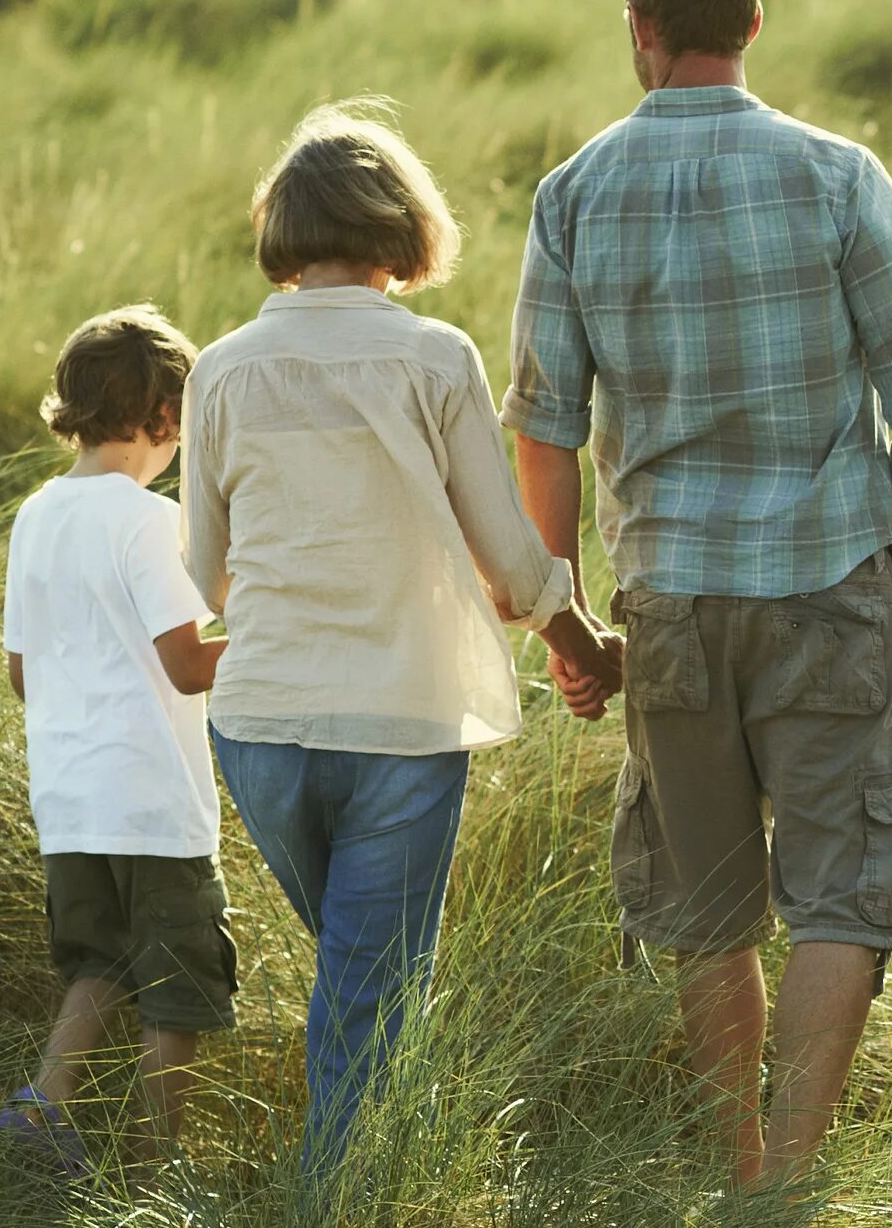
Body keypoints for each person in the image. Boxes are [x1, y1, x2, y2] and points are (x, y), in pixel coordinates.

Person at [503, 0, 892, 1189]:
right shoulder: (839, 176)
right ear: (755, 26)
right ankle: (790, 1169)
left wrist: (565, 624)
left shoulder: (572, 195)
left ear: (640, 32)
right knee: (839, 890)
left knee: (707, 903)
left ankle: (733, 1162)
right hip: (830, 585)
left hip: (669, 604)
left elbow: (543, 437)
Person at [187, 103, 619, 1169]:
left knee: (357, 971)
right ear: (403, 226)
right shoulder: (433, 358)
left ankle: (367, 1191)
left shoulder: (222, 369)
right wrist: (583, 642)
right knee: (371, 987)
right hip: (398, 721)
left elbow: (200, 570)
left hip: (260, 726)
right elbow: (510, 559)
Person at [0, 305, 235, 1177]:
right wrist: (277, 631)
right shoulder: (147, 520)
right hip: (152, 799)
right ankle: (155, 1168)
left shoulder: (36, 514)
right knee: (180, 980)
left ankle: (47, 1103)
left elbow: (23, 672)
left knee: (100, 960)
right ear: (166, 418)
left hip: (67, 796)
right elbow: (188, 665)